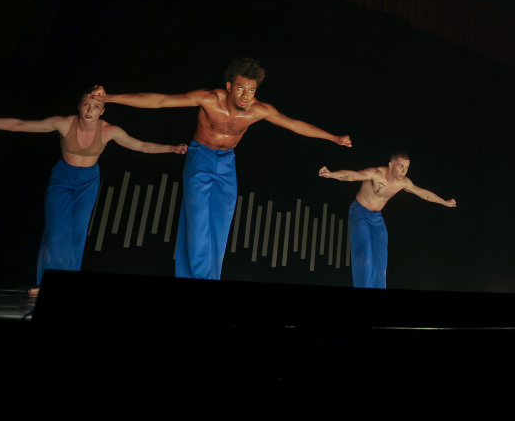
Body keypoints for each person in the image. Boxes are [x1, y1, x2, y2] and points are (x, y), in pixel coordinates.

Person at [89, 58, 351, 280]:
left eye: (251, 90)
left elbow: (295, 125)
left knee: (220, 221)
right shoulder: (209, 99)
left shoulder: (259, 110)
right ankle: (203, 280)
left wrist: (334, 138)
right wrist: (110, 97)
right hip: (200, 157)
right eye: (240, 89)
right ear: (229, 86)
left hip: (227, 161)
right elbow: (160, 101)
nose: (245, 96)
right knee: (198, 218)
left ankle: (209, 278)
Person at [0, 89, 187, 294]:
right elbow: (19, 124)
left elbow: (141, 145)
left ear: (103, 110)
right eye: (86, 104)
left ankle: (65, 283)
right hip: (62, 179)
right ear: (79, 105)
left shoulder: (109, 131)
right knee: (57, 231)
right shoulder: (64, 123)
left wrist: (172, 148)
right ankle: (49, 284)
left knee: (77, 234)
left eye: (96, 106)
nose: (90, 110)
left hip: (88, 182)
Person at [318, 153, 456, 288]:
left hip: (376, 217)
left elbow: (423, 193)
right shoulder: (375, 174)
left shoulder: (403, 183)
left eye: (407, 167)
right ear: (391, 165)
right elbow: (352, 176)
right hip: (359, 212)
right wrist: (331, 174)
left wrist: (444, 202)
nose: (404, 171)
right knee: (365, 254)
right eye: (400, 166)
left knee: (381, 259)